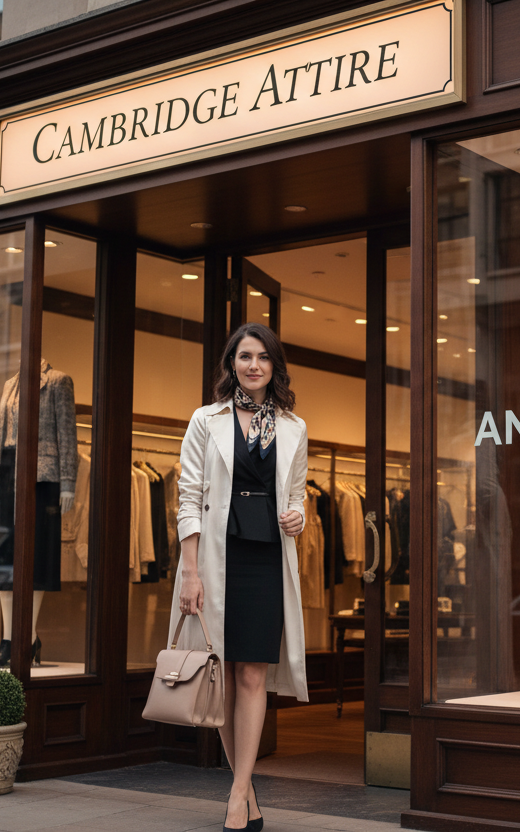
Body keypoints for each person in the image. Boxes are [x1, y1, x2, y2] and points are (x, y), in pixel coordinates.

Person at [174, 323, 309, 832]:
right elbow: (187, 499)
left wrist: (298, 514)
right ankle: (245, 791)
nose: (254, 366)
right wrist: (190, 572)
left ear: (275, 366)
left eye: (263, 358)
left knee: (252, 674)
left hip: (267, 557)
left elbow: (295, 495)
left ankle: (237, 793)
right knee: (222, 675)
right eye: (244, 357)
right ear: (232, 363)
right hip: (215, 556)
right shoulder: (206, 420)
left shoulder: (294, 426)